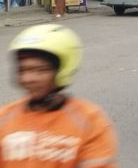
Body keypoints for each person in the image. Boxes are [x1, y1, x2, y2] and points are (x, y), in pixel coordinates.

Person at [0, 24, 118, 167]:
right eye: (23, 70)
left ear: (61, 71)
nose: (28, 78)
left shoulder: (88, 121)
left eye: (40, 70)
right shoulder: (4, 119)